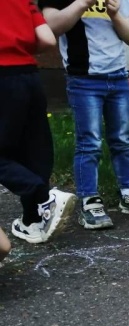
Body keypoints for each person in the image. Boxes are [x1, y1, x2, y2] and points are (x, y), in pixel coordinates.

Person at [40, 0, 129, 230]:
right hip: (84, 80)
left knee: (121, 139)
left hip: (118, 77)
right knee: (89, 142)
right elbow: (52, 27)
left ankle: (128, 192)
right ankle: (90, 199)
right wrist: (82, 3)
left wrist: (114, 15)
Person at [1, 0, 76, 247]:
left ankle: (44, 198)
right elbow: (47, 39)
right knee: (33, 150)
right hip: (30, 77)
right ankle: (33, 220)